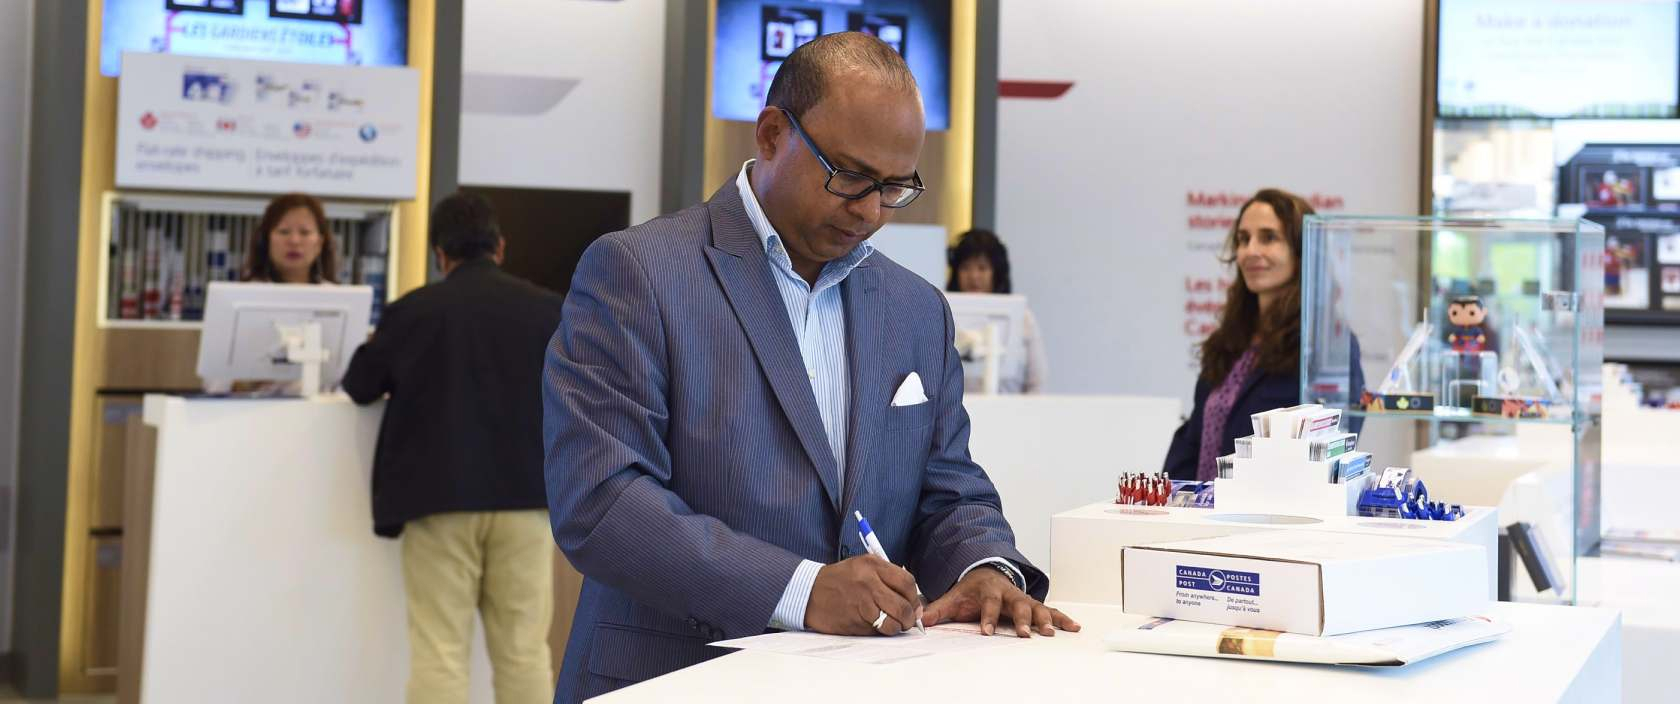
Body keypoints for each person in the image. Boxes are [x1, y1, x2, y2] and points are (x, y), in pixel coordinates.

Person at [543, 33, 1078, 703]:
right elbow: (603, 502)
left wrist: (982, 566)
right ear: (771, 134)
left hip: (858, 684)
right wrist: (800, 589)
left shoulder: (915, 309)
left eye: (894, 187)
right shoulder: (638, 274)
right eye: (850, 175)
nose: (870, 211)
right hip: (672, 678)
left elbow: (949, 490)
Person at [342, 192, 564, 704]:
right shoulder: (548, 311)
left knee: (440, 652)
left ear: (439, 253)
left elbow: (359, 386)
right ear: (500, 247)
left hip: (438, 499)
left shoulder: (413, 311)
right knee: (525, 653)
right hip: (527, 500)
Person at [1163, 188, 1363, 481]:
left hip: (1270, 518)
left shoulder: (1325, 345)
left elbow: (1332, 451)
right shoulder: (1230, 340)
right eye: (1243, 239)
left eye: (1268, 237)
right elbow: (1195, 434)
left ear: (1302, 250)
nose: (1250, 251)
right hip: (1201, 514)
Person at [946, 228, 1049, 393]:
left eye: (982, 268)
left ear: (996, 273)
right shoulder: (942, 312)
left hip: (1010, 413)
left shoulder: (1023, 318)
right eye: (965, 267)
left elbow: (1037, 382)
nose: (974, 276)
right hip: (955, 414)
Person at [244, 192, 337, 284]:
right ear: (266, 240)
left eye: (305, 232)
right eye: (284, 232)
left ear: (319, 243)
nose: (294, 241)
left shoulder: (335, 296)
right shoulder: (245, 294)